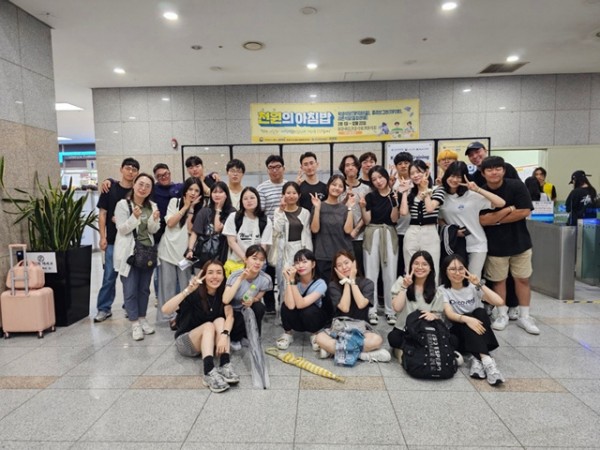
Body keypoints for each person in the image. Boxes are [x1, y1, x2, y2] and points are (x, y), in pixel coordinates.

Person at [479, 156, 539, 335]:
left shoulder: (517, 186)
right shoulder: (481, 191)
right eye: (490, 169)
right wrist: (508, 209)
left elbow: (525, 210)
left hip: (520, 243)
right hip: (495, 245)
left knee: (523, 279)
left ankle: (524, 316)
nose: (494, 172)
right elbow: (483, 220)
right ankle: (501, 314)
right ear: (483, 173)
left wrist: (496, 219)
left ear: (504, 170)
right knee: (499, 281)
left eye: (498, 168)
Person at [161, 260, 239, 393]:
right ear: (204, 276)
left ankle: (224, 364)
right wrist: (187, 290)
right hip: (186, 342)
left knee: (221, 320)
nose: (215, 276)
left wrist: (224, 336)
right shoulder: (195, 293)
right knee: (208, 325)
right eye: (210, 273)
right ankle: (208, 371)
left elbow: (230, 316)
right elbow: (165, 310)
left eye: (219, 272)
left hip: (207, 343)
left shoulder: (223, 294)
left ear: (223, 276)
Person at [439, 254, 506, 386]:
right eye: (452, 269)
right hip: (457, 333)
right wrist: (467, 319)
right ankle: (487, 360)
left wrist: (479, 284)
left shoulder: (472, 287)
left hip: (476, 331)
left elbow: (499, 301)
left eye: (461, 268)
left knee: (480, 312)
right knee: (471, 317)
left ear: (466, 270)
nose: (457, 273)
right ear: (445, 271)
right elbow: (450, 314)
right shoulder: (442, 290)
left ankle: (480, 359)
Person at [315, 251, 391, 362]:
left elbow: (361, 304)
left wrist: (352, 281)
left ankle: (333, 351)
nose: (344, 267)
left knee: (377, 340)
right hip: (339, 327)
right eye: (339, 265)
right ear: (335, 269)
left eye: (346, 263)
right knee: (319, 338)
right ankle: (363, 355)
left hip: (361, 328)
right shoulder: (333, 285)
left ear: (354, 263)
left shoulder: (367, 283)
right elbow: (344, 308)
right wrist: (346, 283)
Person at [114, 173, 161, 341]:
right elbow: (122, 229)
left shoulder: (152, 206)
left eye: (147, 186)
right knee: (130, 289)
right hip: (130, 254)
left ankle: (142, 319)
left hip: (147, 252)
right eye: (140, 184)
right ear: (134, 184)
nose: (143, 188)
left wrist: (154, 220)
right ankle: (134, 323)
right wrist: (134, 217)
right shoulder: (123, 205)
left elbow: (153, 230)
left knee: (144, 289)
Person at [439, 161, 506, 279]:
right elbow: (439, 219)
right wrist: (452, 231)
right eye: (452, 176)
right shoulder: (441, 195)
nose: (454, 180)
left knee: (473, 279)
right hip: (455, 244)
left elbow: (501, 203)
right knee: (456, 278)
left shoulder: (471, 195)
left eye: (459, 177)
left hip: (477, 244)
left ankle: (476, 293)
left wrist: (478, 189)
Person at [94, 157, 140, 323]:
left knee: (130, 277)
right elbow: (102, 214)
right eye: (128, 168)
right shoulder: (109, 188)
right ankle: (104, 308)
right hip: (113, 240)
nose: (130, 172)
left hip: (131, 241)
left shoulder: (138, 190)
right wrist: (102, 237)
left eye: (134, 169)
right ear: (121, 169)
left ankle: (129, 306)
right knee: (109, 276)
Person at [157, 177, 202, 326]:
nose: (193, 193)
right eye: (190, 189)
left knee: (186, 287)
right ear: (185, 190)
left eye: (196, 190)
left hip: (185, 254)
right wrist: (186, 206)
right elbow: (170, 223)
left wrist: (191, 209)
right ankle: (168, 317)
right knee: (167, 286)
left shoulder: (201, 208)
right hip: (168, 250)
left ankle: (184, 317)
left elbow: (190, 229)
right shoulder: (174, 202)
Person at [359, 165, 399, 326]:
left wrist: (395, 203)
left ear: (386, 177)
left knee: (390, 273)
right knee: (371, 273)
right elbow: (367, 220)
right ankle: (372, 310)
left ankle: (391, 310)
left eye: (380, 177)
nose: (378, 181)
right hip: (372, 232)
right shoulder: (370, 197)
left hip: (389, 232)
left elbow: (395, 219)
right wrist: (362, 207)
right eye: (374, 179)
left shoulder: (395, 194)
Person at [387, 251, 444, 359]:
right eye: (416, 263)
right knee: (393, 337)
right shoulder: (401, 282)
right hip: (404, 330)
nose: (420, 267)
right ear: (410, 266)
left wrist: (433, 315)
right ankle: (419, 353)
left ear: (431, 268)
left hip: (424, 332)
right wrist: (404, 287)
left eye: (424, 264)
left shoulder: (436, 291)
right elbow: (397, 307)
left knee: (451, 339)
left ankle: (411, 353)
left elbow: (438, 317)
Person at [276, 249, 328, 351]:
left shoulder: (321, 283)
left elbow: (301, 304)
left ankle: (315, 334)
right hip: (298, 319)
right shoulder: (294, 281)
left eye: (304, 262)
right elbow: (290, 306)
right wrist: (289, 281)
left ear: (313, 264)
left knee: (309, 310)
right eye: (297, 263)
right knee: (284, 306)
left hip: (314, 319)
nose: (300, 266)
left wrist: (292, 282)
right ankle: (288, 334)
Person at [400, 159, 444, 278]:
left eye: (418, 172)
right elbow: (403, 212)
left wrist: (425, 190)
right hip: (412, 231)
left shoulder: (438, 190)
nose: (415, 175)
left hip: (430, 232)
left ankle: (432, 290)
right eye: (412, 173)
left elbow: (430, 208)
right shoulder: (411, 193)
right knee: (410, 267)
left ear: (426, 172)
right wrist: (404, 192)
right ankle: (410, 290)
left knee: (432, 267)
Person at [223, 245, 272, 349]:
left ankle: (250, 336)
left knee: (259, 307)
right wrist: (240, 279)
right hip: (233, 311)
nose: (258, 262)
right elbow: (225, 300)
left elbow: (258, 297)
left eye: (261, 260)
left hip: (246, 308)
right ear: (245, 259)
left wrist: (252, 300)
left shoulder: (265, 279)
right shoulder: (235, 276)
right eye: (254, 258)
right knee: (237, 318)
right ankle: (235, 338)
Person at [257, 155, 288, 314]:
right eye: (271, 167)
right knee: (268, 268)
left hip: (287, 233)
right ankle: (269, 304)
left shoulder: (289, 187)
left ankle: (284, 301)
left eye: (277, 167)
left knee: (284, 269)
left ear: (283, 168)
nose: (274, 170)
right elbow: (260, 213)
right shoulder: (262, 188)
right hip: (268, 235)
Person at [310, 174, 354, 281]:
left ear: (343, 190)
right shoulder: (319, 205)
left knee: (343, 287)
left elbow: (348, 230)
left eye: (340, 186)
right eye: (334, 184)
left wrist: (350, 208)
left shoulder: (344, 209)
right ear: (328, 186)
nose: (337, 188)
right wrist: (317, 208)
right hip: (323, 255)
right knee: (325, 288)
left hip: (343, 257)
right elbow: (314, 229)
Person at [223, 186, 272, 276]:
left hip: (256, 266)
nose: (249, 201)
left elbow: (263, 246)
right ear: (241, 201)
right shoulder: (234, 217)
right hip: (236, 264)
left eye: (252, 198)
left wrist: (255, 261)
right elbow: (231, 242)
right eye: (245, 198)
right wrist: (246, 260)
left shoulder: (265, 220)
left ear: (258, 199)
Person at [187, 181, 235, 268]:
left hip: (223, 255)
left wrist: (218, 210)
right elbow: (195, 233)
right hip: (203, 255)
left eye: (220, 192)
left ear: (226, 194)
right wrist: (190, 250)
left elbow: (217, 228)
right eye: (214, 192)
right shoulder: (204, 211)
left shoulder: (232, 212)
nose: (217, 195)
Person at [339, 154, 372, 276]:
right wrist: (345, 200)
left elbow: (368, 212)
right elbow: (336, 209)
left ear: (358, 167)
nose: (350, 168)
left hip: (360, 237)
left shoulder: (366, 189)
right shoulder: (339, 187)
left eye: (353, 165)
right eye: (347, 165)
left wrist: (356, 230)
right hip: (341, 236)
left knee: (359, 270)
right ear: (343, 169)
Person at [272, 181, 312, 274]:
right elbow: (278, 229)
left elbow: (307, 235)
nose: (291, 196)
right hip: (283, 249)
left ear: (299, 195)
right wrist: (281, 210)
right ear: (283, 195)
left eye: (294, 193)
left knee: (300, 275)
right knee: (285, 277)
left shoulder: (305, 212)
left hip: (299, 248)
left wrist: (309, 254)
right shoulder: (278, 211)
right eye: (288, 193)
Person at [391, 152, 413, 277]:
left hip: (414, 229)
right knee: (399, 265)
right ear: (395, 167)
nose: (403, 166)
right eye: (400, 164)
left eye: (406, 163)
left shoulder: (417, 182)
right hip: (397, 231)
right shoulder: (392, 185)